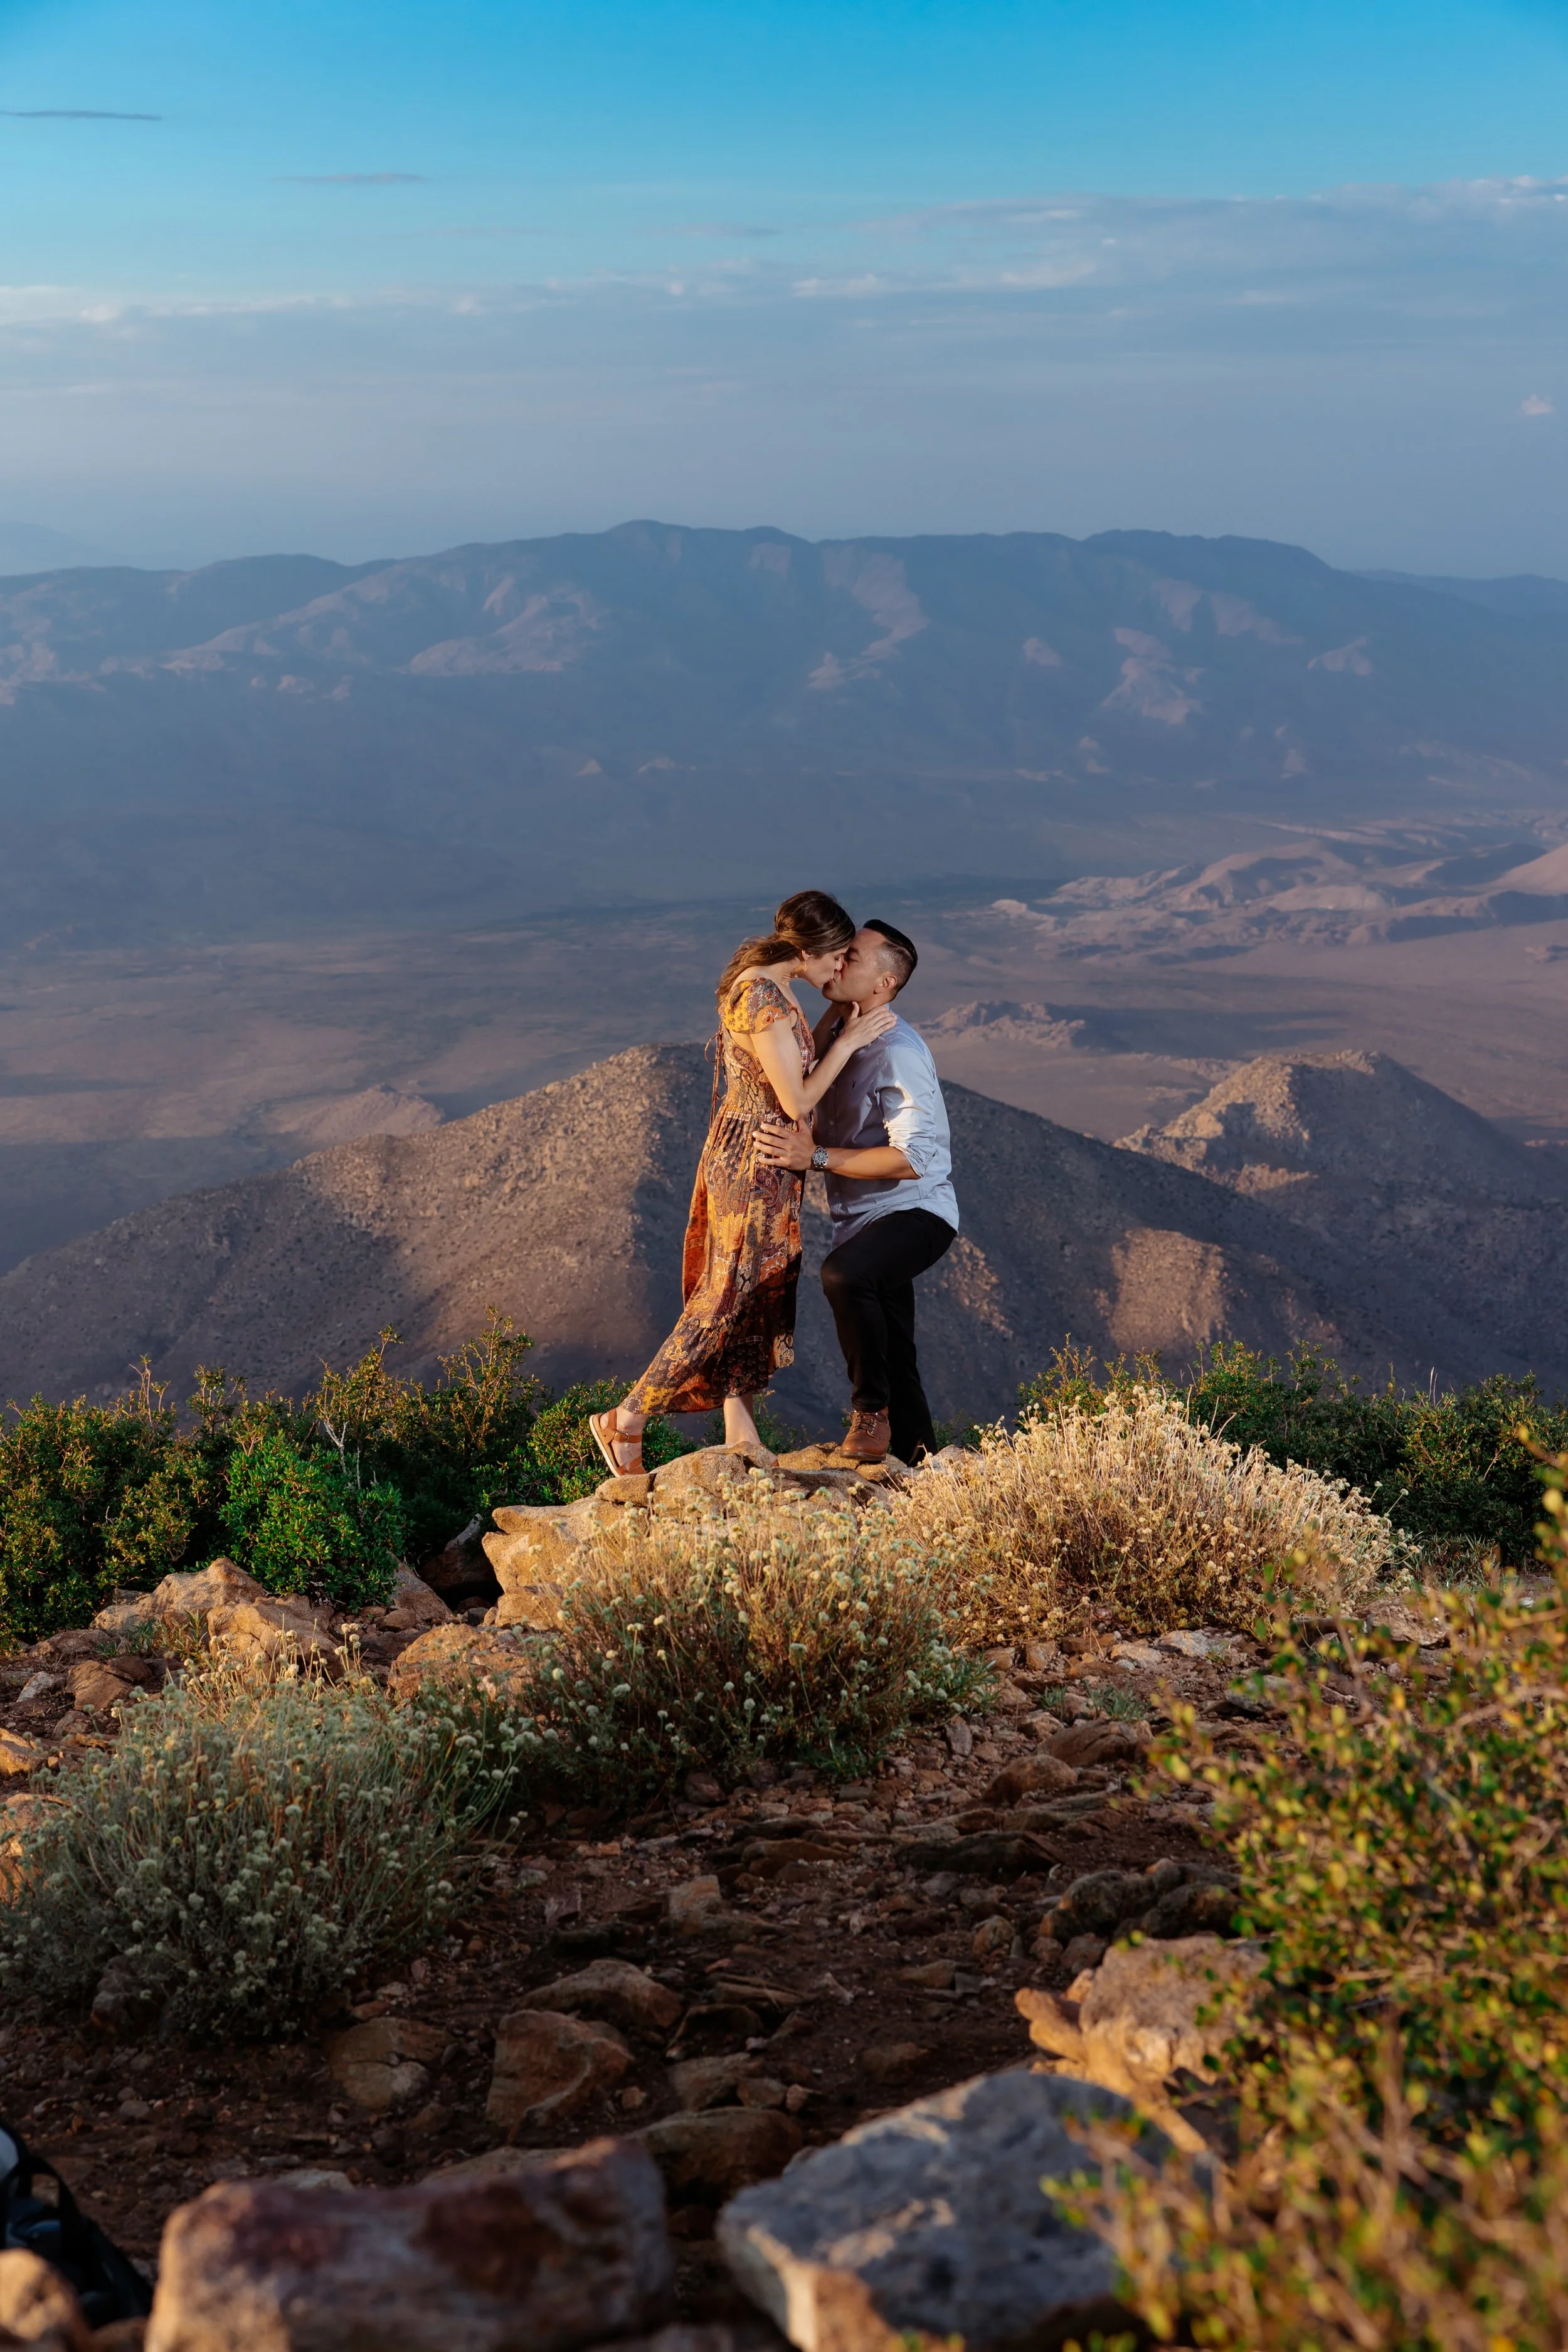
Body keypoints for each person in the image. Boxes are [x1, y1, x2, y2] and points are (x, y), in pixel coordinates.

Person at [590, 891, 896, 1476]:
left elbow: (790, 1064)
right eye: (837, 956)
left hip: (762, 1155)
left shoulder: (772, 983)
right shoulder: (763, 998)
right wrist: (851, 1042)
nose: (840, 968)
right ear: (809, 949)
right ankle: (625, 1419)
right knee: (725, 1296)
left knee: (752, 1295)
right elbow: (797, 1098)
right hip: (754, 1162)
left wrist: (837, 1022)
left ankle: (741, 1434)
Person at [753, 919, 956, 1464]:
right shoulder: (845, 1031)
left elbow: (914, 1159)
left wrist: (814, 1157)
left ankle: (870, 1413)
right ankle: (920, 1467)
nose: (838, 962)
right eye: (840, 953)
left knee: (846, 1275)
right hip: (862, 1219)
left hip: (917, 1212)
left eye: (854, 958)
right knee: (896, 1351)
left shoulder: (897, 1051)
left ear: (884, 984)